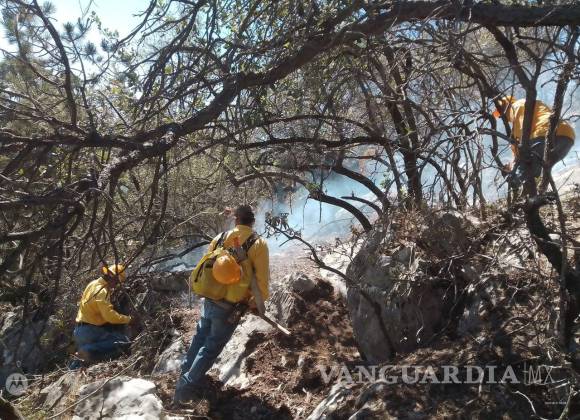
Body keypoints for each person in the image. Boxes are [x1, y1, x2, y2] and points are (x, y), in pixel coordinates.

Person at [173, 205, 270, 405]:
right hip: (230, 307)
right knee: (210, 348)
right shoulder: (258, 244)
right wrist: (255, 303)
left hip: (209, 298)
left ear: (236, 220)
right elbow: (261, 282)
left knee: (199, 338)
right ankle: (185, 389)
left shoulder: (219, 237)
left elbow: (208, 266)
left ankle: (184, 375)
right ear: (253, 221)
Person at [493, 96, 575, 187]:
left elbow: (521, 135)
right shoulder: (529, 102)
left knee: (525, 170)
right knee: (539, 171)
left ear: (505, 106)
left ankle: (517, 184)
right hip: (567, 136)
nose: (503, 117)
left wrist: (515, 164)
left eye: (501, 114)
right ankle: (536, 192)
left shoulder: (517, 106)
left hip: (545, 133)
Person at [72, 264, 132, 366]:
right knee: (123, 341)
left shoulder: (92, 284)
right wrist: (129, 319)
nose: (116, 285)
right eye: (117, 282)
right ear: (114, 278)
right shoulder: (102, 291)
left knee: (82, 363)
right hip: (90, 331)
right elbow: (109, 317)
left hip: (79, 332)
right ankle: (87, 350)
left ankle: (73, 368)